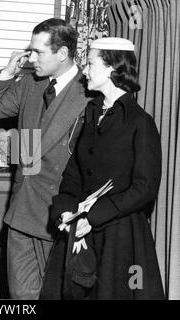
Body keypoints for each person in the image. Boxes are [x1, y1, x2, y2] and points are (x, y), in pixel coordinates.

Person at [0, 18, 92, 299]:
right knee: (22, 297)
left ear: (62, 54)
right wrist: (6, 73)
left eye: (39, 52)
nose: (31, 57)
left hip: (59, 215)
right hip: (22, 211)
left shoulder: (90, 92)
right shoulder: (29, 85)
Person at [40, 37, 165, 300]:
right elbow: (73, 173)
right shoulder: (92, 113)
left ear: (111, 67)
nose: (84, 70)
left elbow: (144, 189)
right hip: (79, 232)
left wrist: (92, 218)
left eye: (90, 63)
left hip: (120, 238)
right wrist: (65, 210)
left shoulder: (140, 123)